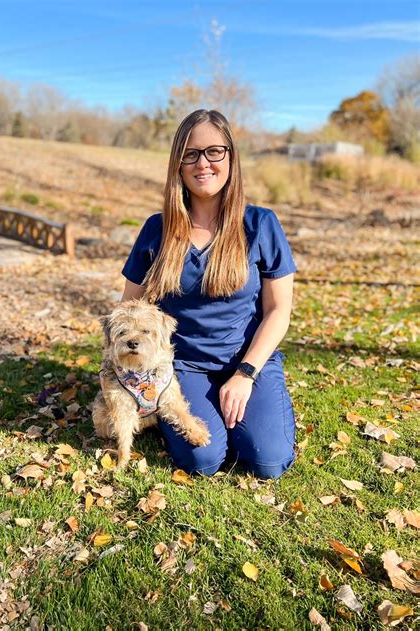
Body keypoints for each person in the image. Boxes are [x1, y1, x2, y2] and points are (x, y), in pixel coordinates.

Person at [120, 109, 298, 479]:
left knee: (268, 461)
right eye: (191, 153)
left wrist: (246, 374)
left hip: (248, 360)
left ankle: (247, 420)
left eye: (214, 151)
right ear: (178, 164)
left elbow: (279, 310)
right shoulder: (158, 229)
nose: (203, 163)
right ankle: (209, 424)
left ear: (231, 157)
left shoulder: (261, 224)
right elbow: (130, 306)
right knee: (203, 460)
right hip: (182, 366)